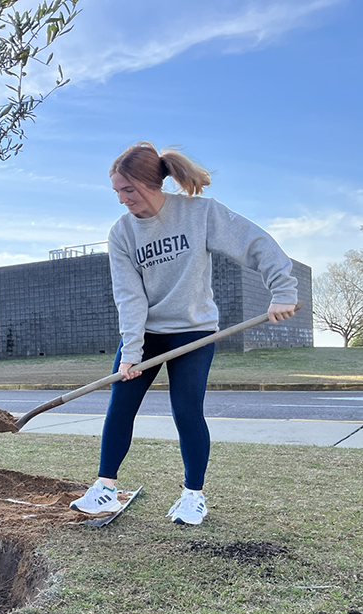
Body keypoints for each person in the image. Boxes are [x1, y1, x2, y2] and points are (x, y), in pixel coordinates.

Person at [70, 142, 298, 525]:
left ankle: (193, 495)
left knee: (187, 410)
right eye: (117, 192)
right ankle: (105, 488)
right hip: (145, 333)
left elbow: (254, 242)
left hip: (193, 332)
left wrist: (283, 290)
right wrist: (132, 352)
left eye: (129, 190)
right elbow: (129, 297)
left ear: (151, 182)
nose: (123, 200)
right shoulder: (122, 233)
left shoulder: (200, 214)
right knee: (120, 406)